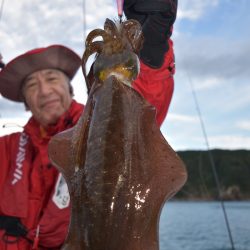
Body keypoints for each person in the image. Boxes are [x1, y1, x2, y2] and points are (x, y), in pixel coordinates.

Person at [0, 0, 177, 249]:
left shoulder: (98, 123)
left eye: (52, 78)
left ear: (69, 88)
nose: (44, 91)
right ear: (26, 102)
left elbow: (144, 107)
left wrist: (153, 53)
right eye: (31, 85)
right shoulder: (6, 150)